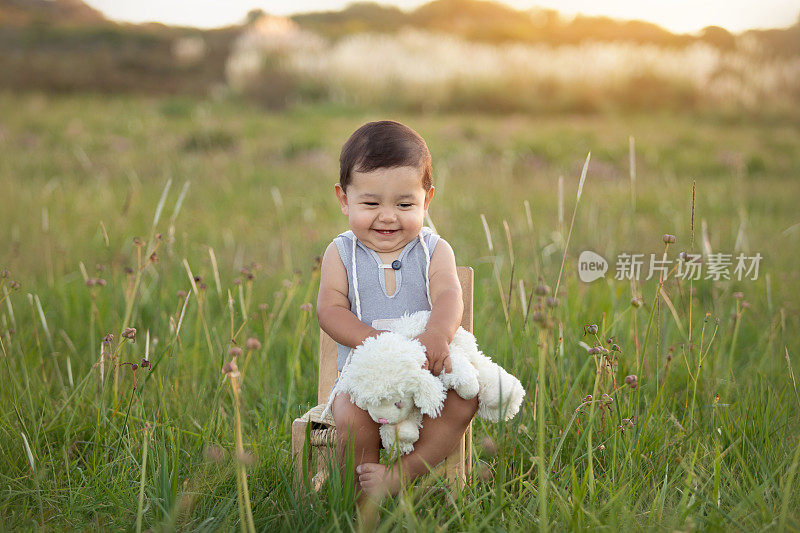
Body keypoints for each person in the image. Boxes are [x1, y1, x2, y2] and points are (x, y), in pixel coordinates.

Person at [316, 120, 478, 497]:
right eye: (371, 203)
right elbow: (330, 309)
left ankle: (400, 475)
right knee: (353, 420)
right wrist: (373, 341)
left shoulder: (435, 250)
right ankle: (353, 499)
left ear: (427, 200)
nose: (387, 216)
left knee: (465, 400)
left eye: (405, 204)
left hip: (427, 378)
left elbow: (449, 296)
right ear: (344, 199)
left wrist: (437, 334)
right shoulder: (341, 254)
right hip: (363, 381)